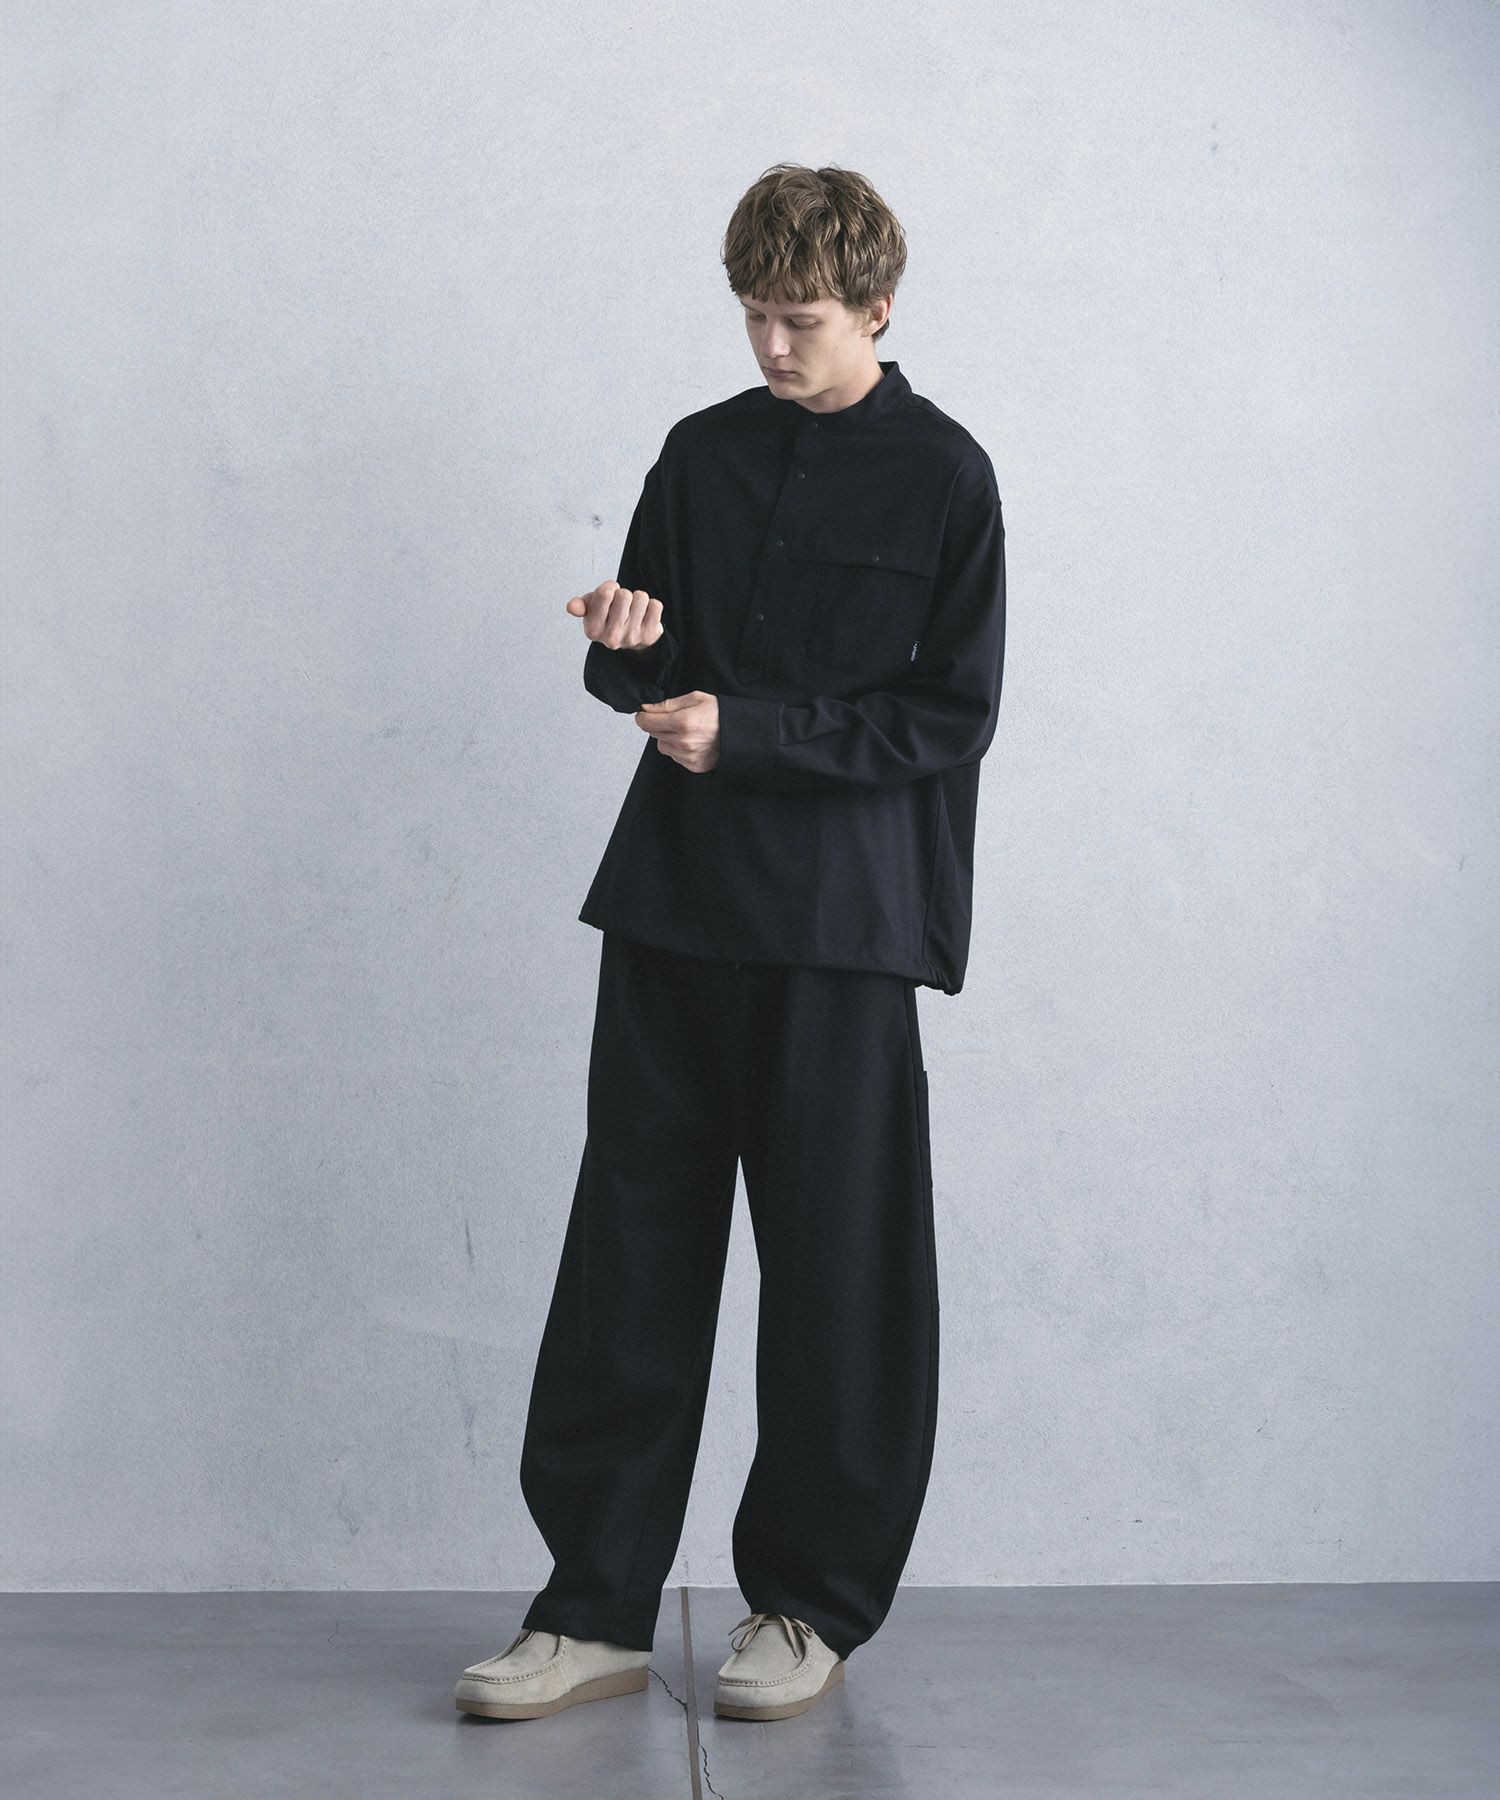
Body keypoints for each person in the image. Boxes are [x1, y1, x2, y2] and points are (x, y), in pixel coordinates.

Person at [455, 162, 1006, 1725]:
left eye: (801, 320)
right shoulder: (701, 453)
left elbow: (951, 715)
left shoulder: (949, 477)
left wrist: (749, 733)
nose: (770, 346)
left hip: (844, 929)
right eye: (754, 315)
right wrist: (629, 649)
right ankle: (593, 1609)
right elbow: (643, 670)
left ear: (877, 308)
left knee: (840, 1278)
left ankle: (807, 1607)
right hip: (676, 909)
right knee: (629, 1261)